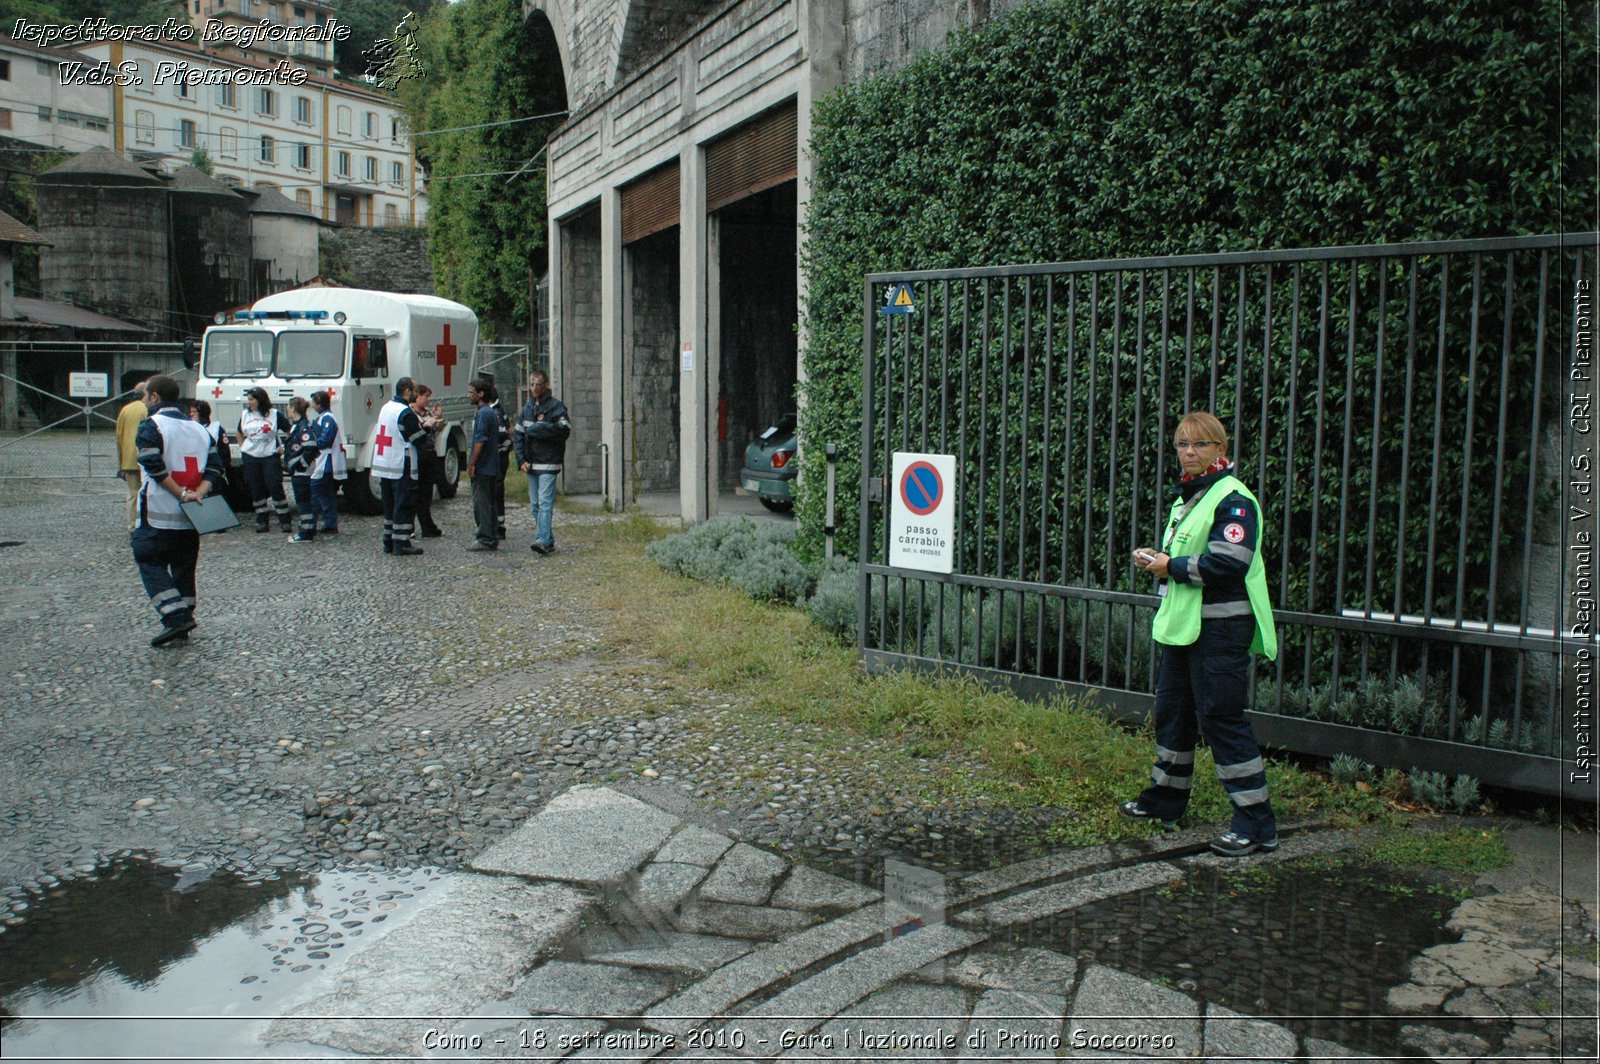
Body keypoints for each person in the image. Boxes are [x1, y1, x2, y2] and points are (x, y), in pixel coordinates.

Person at [1126, 411, 1280, 857]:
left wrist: (1168, 565)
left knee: (1221, 720)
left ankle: (1256, 824)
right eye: (1182, 445)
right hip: (1186, 628)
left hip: (1222, 631)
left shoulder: (1234, 500)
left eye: (1199, 445)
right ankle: (1165, 802)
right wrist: (1161, 559)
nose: (1189, 452)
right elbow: (1190, 557)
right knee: (1173, 713)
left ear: (1220, 449)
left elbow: (1228, 562)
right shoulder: (1189, 497)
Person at [132, 375, 222, 646]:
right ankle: (184, 615)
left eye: (145, 396)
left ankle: (175, 616)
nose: (143, 400)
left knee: (148, 559)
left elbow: (152, 464)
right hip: (192, 515)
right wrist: (199, 493)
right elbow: (215, 467)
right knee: (184, 566)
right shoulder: (199, 429)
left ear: (155, 397)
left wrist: (180, 493)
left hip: (158, 513)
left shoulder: (152, 425)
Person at [514, 370, 570, 555]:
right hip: (531, 464)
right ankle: (548, 539)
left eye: (538, 384)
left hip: (548, 462)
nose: (535, 388)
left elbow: (564, 430)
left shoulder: (556, 407)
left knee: (545, 503)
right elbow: (518, 435)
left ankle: (542, 540)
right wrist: (520, 459)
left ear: (545, 385)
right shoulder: (527, 408)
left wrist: (540, 428)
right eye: (532, 384)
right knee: (535, 505)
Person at [371, 376, 428, 556]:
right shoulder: (405, 412)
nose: (417, 393)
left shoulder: (386, 407)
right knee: (404, 503)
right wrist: (427, 428)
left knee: (389, 505)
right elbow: (418, 438)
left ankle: (388, 540)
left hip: (384, 463)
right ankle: (401, 542)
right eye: (415, 389)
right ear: (407, 391)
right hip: (401, 463)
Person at [238, 386, 293, 534]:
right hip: (251, 456)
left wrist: (285, 447)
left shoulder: (274, 415)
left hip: (270, 455)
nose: (249, 402)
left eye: (252, 399)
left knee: (275, 485)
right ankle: (262, 520)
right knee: (256, 488)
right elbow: (239, 432)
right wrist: (243, 447)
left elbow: (290, 430)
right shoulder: (245, 415)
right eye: (248, 399)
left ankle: (285, 520)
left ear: (260, 399)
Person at [466, 378, 501, 551]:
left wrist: (472, 462)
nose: (468, 395)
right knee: (488, 502)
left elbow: (480, 441)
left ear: (480, 394)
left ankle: (485, 538)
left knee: (483, 503)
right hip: (490, 466)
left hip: (484, 466)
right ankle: (491, 535)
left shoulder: (484, 413)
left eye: (471, 392)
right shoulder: (488, 412)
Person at [309, 390, 346, 534]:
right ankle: (330, 523)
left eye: (314, 403)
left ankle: (310, 523)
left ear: (319, 404)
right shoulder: (324, 418)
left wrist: (310, 444)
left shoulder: (327, 419)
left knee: (316, 492)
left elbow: (325, 440)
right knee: (326, 494)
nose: (312, 405)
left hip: (326, 461)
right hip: (324, 460)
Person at [283, 397, 320, 543]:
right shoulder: (297, 425)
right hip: (299, 471)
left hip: (302, 472)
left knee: (303, 502)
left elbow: (310, 447)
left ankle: (305, 533)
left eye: (288, 406)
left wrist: (300, 464)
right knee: (304, 502)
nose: (287, 409)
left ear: (293, 408)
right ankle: (308, 529)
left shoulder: (303, 427)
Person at [410, 384, 445, 538]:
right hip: (417, 455)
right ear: (417, 396)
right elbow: (414, 432)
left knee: (426, 492)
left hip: (429, 454)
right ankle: (409, 526)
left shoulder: (427, 412)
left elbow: (434, 432)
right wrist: (425, 425)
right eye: (426, 396)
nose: (428, 400)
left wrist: (437, 420)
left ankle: (427, 525)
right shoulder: (410, 413)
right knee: (413, 493)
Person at [116, 379, 149, 532]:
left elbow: (119, 436)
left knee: (132, 494)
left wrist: (121, 463)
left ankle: (132, 526)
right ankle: (146, 523)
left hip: (129, 459)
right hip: (146, 457)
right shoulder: (148, 409)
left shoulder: (125, 410)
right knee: (148, 492)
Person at [188, 399, 232, 509]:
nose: (191, 414)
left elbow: (224, 452)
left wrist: (221, 469)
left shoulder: (216, 429)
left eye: (194, 412)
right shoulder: (189, 428)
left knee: (215, 499)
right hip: (195, 469)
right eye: (191, 411)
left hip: (212, 470)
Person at [490, 385, 512, 540]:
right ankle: (497, 524)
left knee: (496, 491)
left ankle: (498, 526)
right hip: (499, 456)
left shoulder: (495, 412)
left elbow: (502, 433)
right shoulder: (497, 410)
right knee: (496, 491)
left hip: (498, 457)